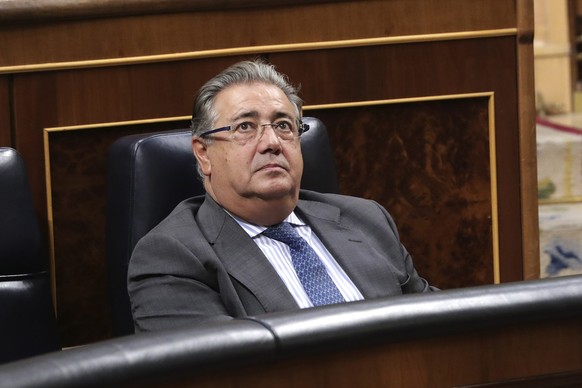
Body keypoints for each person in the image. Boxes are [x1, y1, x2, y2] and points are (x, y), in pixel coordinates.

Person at [128, 60, 436, 332]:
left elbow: (440, 330)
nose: (272, 142)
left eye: (283, 125)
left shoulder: (367, 221)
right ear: (203, 154)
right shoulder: (172, 257)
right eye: (245, 127)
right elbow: (219, 374)